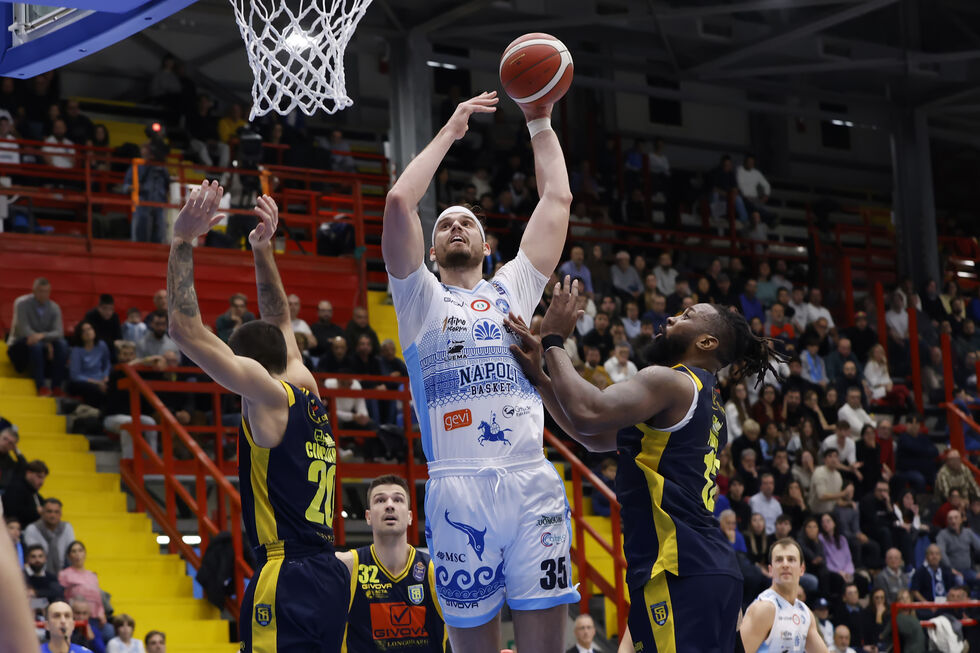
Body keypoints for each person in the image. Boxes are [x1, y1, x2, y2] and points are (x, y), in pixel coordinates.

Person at [382, 91, 578, 652]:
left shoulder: (512, 286)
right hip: (456, 485)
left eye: (467, 222)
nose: (457, 228)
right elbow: (399, 202)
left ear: (487, 247)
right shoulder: (419, 299)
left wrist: (539, 117)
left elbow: (558, 198)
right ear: (434, 248)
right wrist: (451, 130)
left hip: (530, 479)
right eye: (445, 224)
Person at [507, 281, 793, 652]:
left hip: (678, 569)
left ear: (706, 343)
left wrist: (554, 340)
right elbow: (592, 436)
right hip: (706, 569)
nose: (671, 317)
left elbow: (590, 412)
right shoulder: (709, 404)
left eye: (687, 315)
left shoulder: (671, 381)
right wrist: (542, 379)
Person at [165, 181, 349, 651]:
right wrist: (262, 250)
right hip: (327, 572)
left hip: (285, 573)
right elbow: (281, 320)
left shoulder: (267, 398)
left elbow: (184, 330)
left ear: (245, 367)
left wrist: (183, 240)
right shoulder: (305, 387)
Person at [337, 475, 446, 652]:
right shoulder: (347, 566)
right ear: (368, 516)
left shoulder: (435, 570)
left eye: (398, 499)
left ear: (410, 516)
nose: (389, 505)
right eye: (380, 500)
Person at [739, 538, 828, 653]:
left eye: (791, 559)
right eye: (779, 560)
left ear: (802, 569)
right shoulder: (764, 608)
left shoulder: (805, 613)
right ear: (770, 570)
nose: (785, 564)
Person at [8, 277, 68, 395]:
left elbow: (58, 332)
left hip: (42, 341)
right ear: (34, 291)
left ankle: (56, 387)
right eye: (40, 291)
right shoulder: (22, 304)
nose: (43, 294)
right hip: (21, 344)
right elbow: (24, 330)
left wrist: (42, 337)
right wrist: (45, 342)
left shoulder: (54, 307)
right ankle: (41, 386)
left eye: (46, 291)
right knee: (36, 346)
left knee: (63, 344)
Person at [58, 541, 108, 635]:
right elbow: (62, 597)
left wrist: (101, 613)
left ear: (85, 553)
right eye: (74, 551)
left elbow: (97, 597)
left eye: (80, 550)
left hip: (95, 617)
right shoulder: (64, 574)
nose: (77, 554)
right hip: (76, 617)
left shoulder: (92, 575)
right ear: (69, 556)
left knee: (109, 632)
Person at [23, 497, 74, 575]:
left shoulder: (67, 527)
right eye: (49, 511)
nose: (53, 515)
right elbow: (32, 557)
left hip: (64, 573)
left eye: (56, 512)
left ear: (61, 514)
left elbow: (71, 553)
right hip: (38, 573)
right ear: (42, 512)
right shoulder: (32, 529)